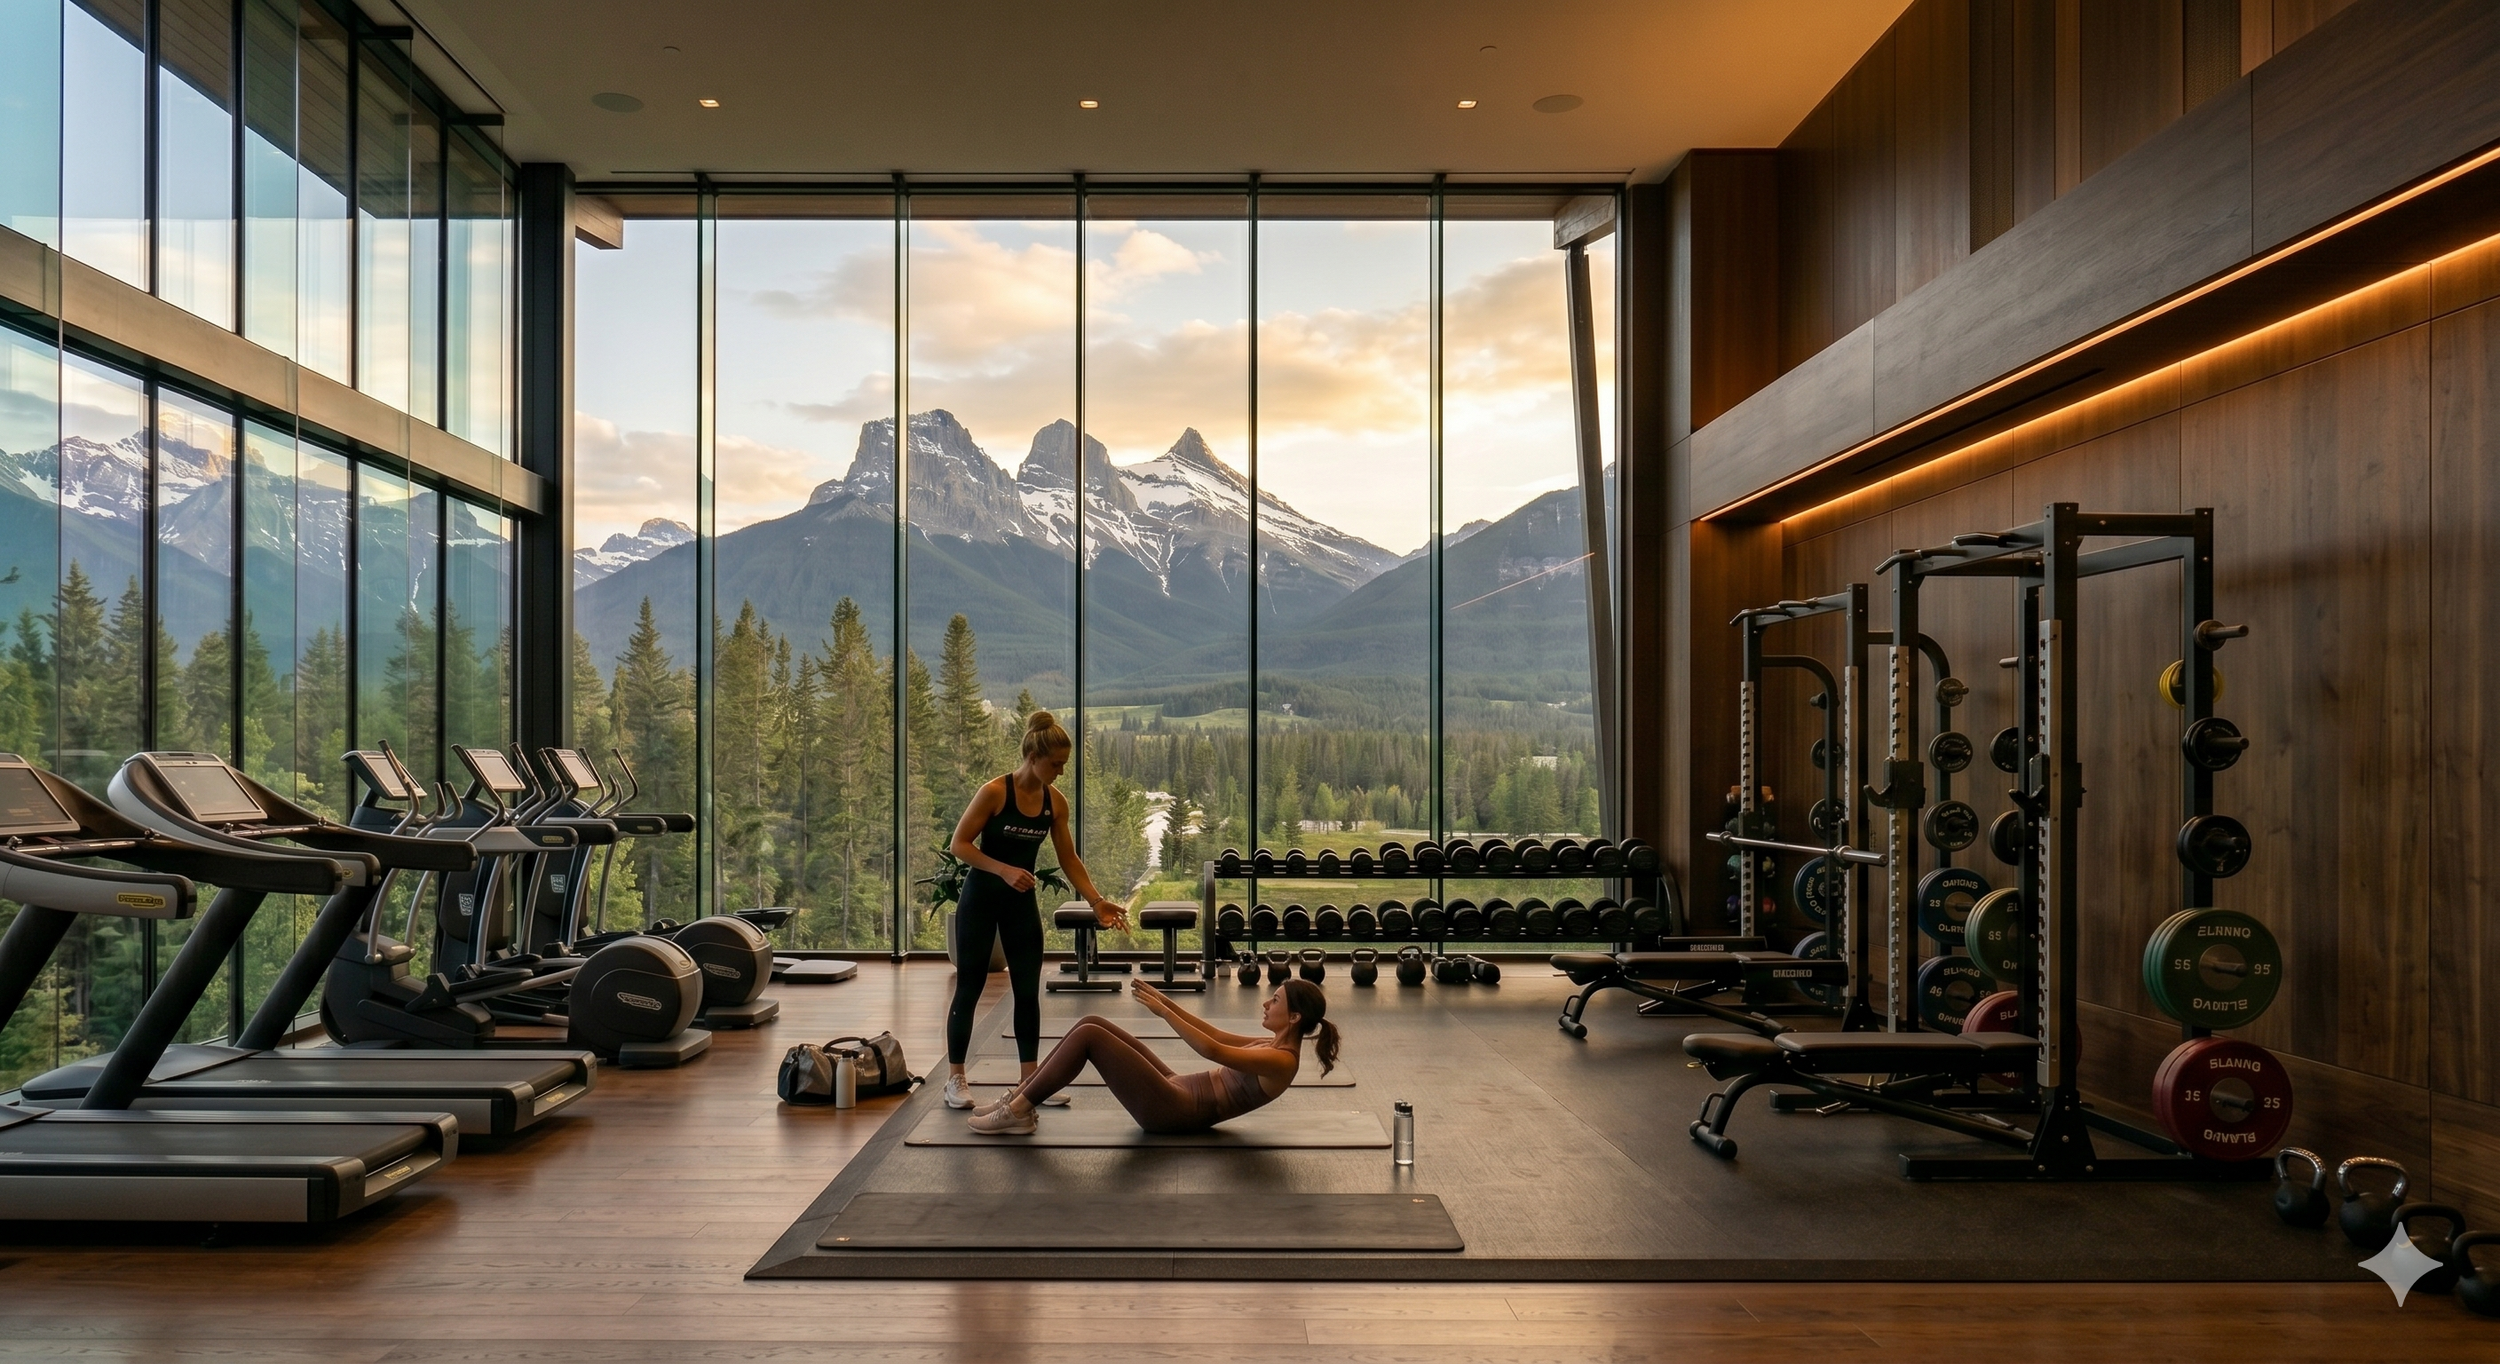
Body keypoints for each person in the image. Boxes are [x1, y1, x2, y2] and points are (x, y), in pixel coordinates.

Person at [940, 710, 1130, 1110]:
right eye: (1056, 764)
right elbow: (959, 844)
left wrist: (1097, 902)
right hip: (980, 901)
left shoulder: (1053, 802)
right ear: (1033, 756)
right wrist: (1004, 869)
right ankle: (955, 1079)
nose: (1061, 771)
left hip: (1019, 905)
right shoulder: (994, 792)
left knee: (1027, 993)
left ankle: (1030, 1081)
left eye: (1064, 764)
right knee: (969, 989)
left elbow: (1069, 858)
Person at [967, 976, 1339, 1135]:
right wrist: (1167, 1002)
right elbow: (1215, 1033)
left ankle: (1016, 1113)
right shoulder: (1273, 1046)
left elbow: (1211, 1049)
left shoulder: (1281, 1061)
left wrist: (1163, 1015)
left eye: (1274, 1001)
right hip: (1177, 1090)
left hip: (1173, 1110)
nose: (1265, 1003)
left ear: (1293, 1017)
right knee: (1092, 1021)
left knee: (1091, 1037)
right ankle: (1020, 1099)